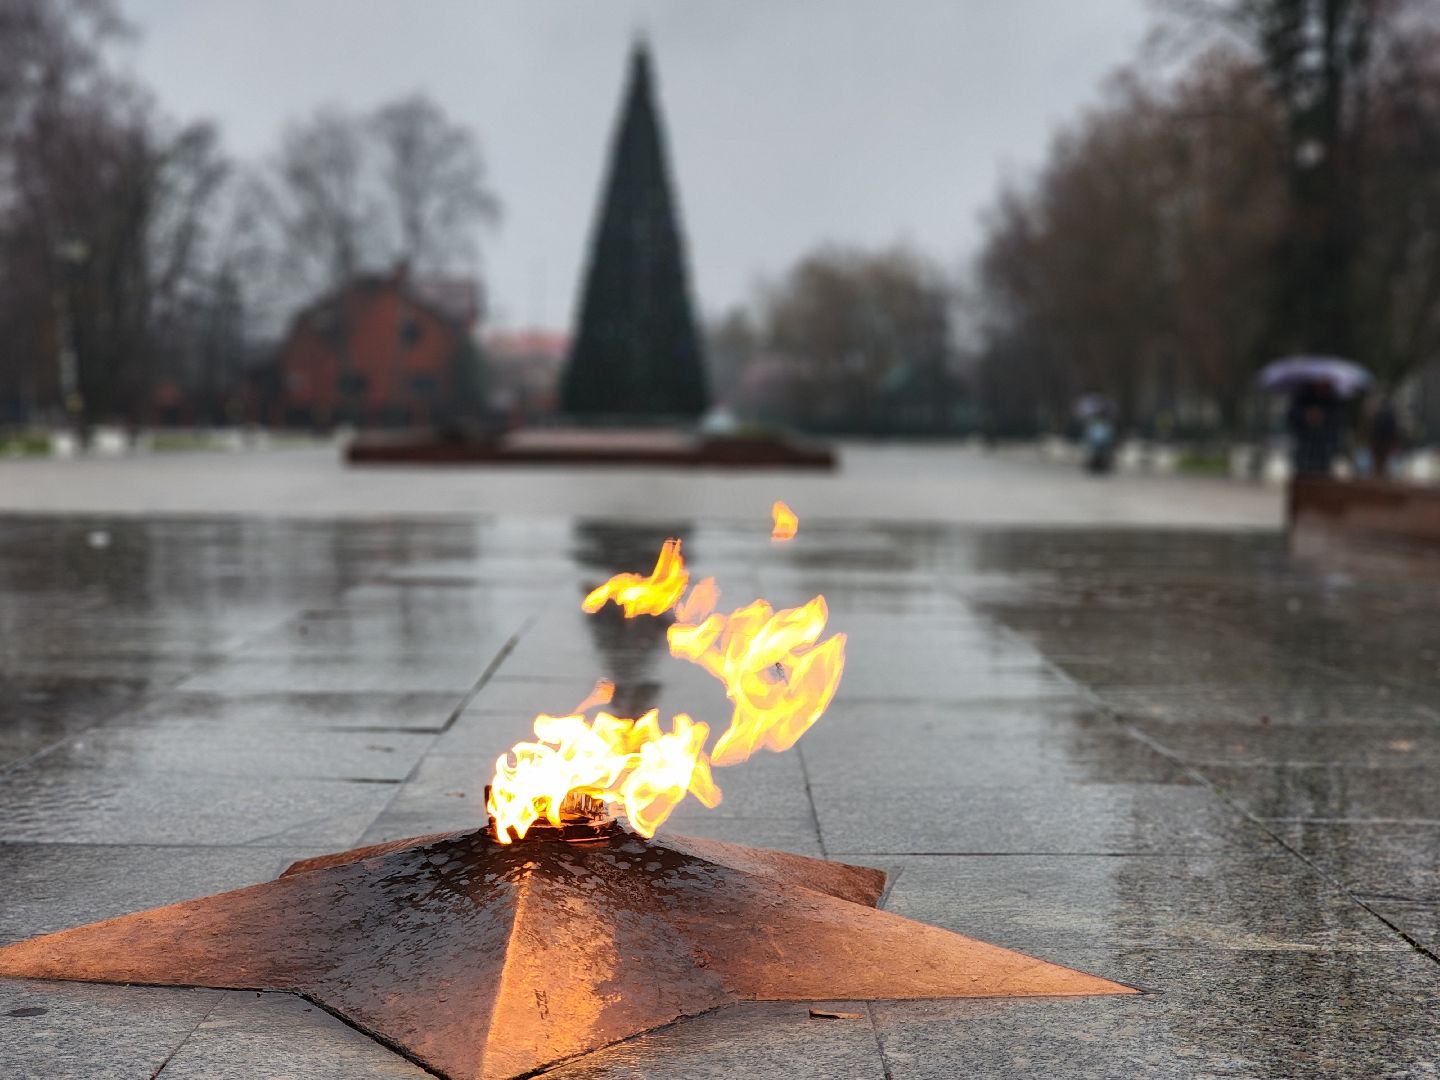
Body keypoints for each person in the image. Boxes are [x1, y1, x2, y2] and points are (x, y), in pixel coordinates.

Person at [1287, 379, 1342, 476]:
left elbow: (1338, 421)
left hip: (1325, 448)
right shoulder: (1302, 397)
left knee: (1323, 475)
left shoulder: (1333, 399)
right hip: (1304, 447)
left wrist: (1323, 417)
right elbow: (1291, 417)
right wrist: (1306, 415)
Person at [1368, 395, 1401, 479]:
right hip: (1386, 440)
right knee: (1384, 459)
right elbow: (1393, 429)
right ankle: (1382, 475)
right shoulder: (1391, 414)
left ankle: (1378, 475)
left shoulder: (1378, 413)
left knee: (1379, 460)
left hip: (1378, 440)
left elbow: (1374, 428)